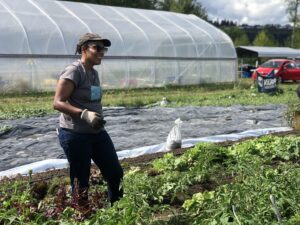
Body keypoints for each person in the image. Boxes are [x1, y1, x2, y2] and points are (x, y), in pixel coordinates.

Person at [53, 33, 123, 207]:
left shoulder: (94, 73)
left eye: (103, 49)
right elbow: (58, 102)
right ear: (84, 49)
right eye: (97, 48)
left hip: (96, 133)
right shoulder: (74, 71)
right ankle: (82, 214)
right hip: (75, 134)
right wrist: (84, 114)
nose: (101, 52)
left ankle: (117, 210)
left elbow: (91, 99)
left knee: (115, 173)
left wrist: (94, 115)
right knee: (81, 182)